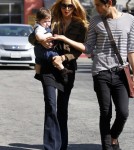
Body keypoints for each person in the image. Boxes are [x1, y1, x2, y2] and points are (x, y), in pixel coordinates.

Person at [49, 0, 134, 150]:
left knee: (123, 112)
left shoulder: (130, 20)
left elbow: (131, 50)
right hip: (100, 71)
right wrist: (64, 38)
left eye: (98, 5)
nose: (96, 8)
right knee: (105, 112)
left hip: (121, 72)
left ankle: (113, 138)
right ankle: (107, 147)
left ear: (108, 3)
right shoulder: (95, 21)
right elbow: (88, 48)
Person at [39, 0, 89, 150]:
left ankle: (62, 145)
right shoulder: (52, 20)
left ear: (75, 7)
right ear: (59, 6)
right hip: (48, 66)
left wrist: (64, 57)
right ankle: (50, 147)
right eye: (63, 5)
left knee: (62, 108)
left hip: (67, 68)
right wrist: (40, 41)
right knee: (50, 105)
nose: (66, 9)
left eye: (70, 6)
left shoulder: (80, 25)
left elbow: (80, 49)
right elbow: (33, 35)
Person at [33, 7, 72, 83]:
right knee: (55, 56)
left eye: (49, 21)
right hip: (44, 50)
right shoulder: (39, 28)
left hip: (39, 51)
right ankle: (63, 70)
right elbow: (38, 36)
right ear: (38, 20)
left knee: (38, 61)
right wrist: (48, 35)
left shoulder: (40, 25)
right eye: (45, 21)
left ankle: (37, 74)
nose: (47, 23)